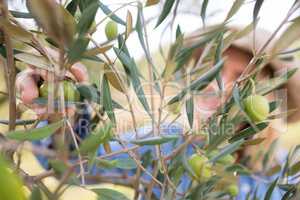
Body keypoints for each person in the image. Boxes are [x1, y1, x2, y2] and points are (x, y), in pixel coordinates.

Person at [16, 26, 300, 199]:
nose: (216, 85)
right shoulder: (170, 146)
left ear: (273, 97)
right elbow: (78, 162)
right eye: (209, 72)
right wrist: (58, 108)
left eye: (241, 77)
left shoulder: (290, 178)